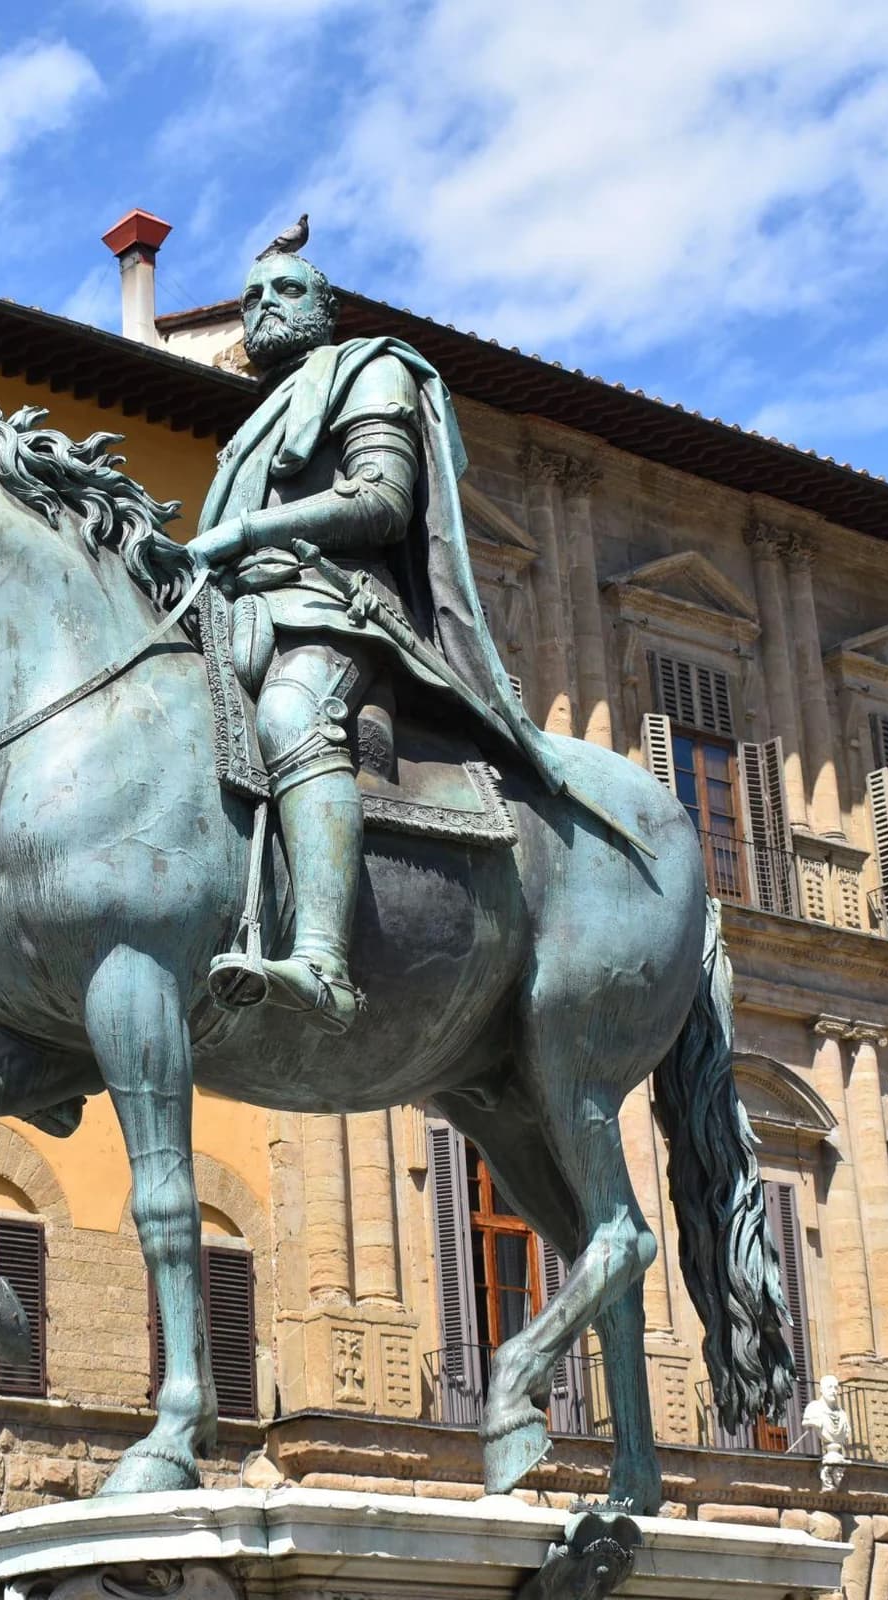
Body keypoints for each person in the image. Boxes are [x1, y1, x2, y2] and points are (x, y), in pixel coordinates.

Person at [171, 229, 646, 1035]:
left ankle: (322, 962)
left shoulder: (369, 369)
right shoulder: (254, 424)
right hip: (243, 611)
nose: (263, 310)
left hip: (333, 609)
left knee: (292, 717)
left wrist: (245, 532)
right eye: (252, 299)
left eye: (286, 293)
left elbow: (379, 500)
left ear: (325, 310)